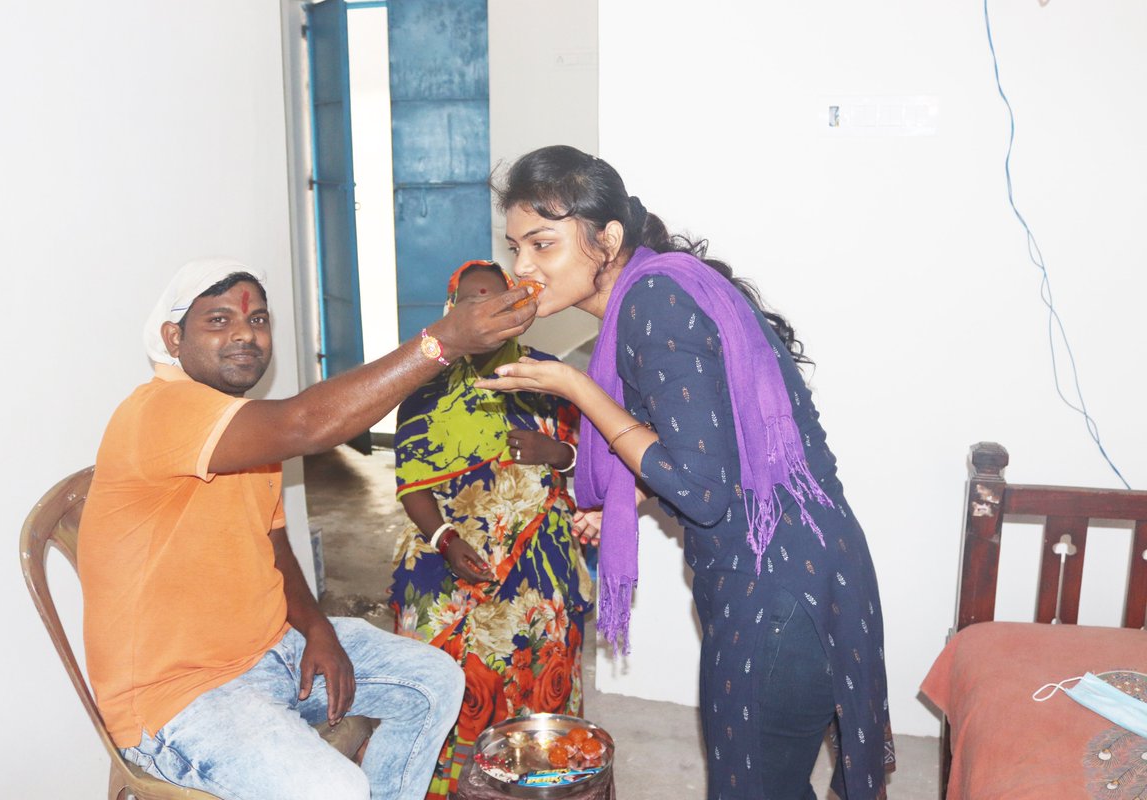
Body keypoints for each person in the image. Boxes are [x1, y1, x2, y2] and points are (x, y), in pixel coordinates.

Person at [477, 146, 895, 799]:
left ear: (606, 238)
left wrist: (576, 388)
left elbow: (701, 492)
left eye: (543, 244)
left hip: (777, 594)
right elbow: (715, 450)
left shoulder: (653, 304)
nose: (522, 268)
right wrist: (637, 492)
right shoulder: (659, 287)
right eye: (514, 248)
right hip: (808, 566)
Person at [77, 257, 537, 800]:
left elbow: (273, 544)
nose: (246, 334)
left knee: (435, 681)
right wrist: (443, 340)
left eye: (258, 320)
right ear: (173, 338)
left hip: (272, 649)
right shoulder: (161, 411)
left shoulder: (241, 425)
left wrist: (317, 627)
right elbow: (307, 423)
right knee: (333, 789)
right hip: (179, 697)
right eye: (218, 321)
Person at [389, 260, 592, 798]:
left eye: (500, 300)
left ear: (519, 309)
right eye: (472, 301)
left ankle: (534, 783)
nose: (487, 312)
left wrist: (559, 453)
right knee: (440, 681)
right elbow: (412, 485)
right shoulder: (423, 385)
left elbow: (600, 465)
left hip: (536, 559)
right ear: (452, 309)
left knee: (539, 674)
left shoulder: (552, 378)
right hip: (446, 549)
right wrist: (446, 542)